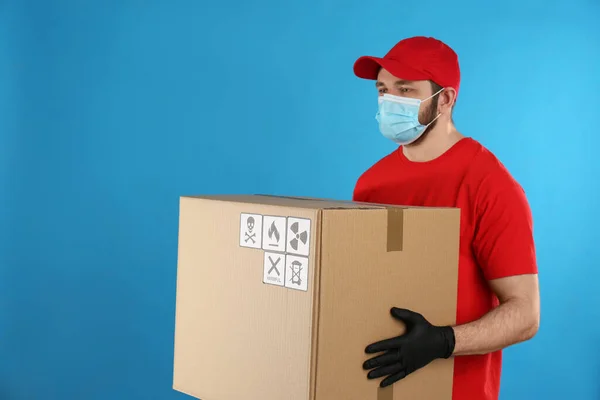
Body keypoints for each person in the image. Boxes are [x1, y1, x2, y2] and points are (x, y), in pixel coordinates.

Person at [352, 36, 540, 400]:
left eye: (405, 90)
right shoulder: (370, 184)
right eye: (383, 89)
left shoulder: (488, 184)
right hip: (377, 386)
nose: (390, 100)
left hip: (457, 391)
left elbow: (525, 314)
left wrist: (443, 341)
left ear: (446, 99)